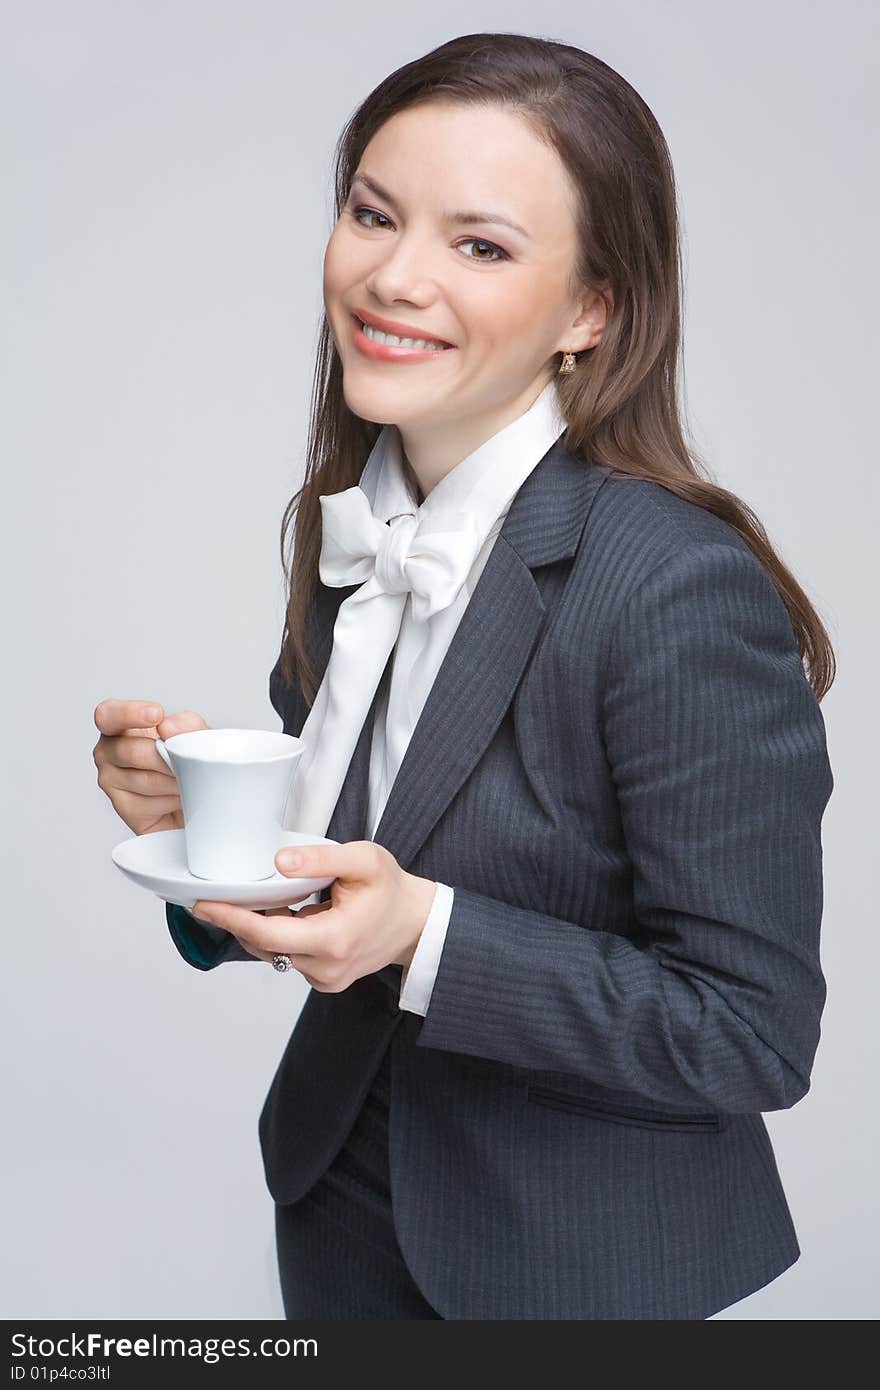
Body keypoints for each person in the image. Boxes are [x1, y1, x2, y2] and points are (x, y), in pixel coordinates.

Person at [92, 33, 836, 1321]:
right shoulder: (356, 530)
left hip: (578, 1267)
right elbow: (357, 872)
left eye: (480, 245)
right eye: (374, 214)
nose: (394, 275)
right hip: (340, 1203)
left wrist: (423, 935)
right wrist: (213, 828)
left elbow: (750, 1035)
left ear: (593, 309)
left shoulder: (674, 585)